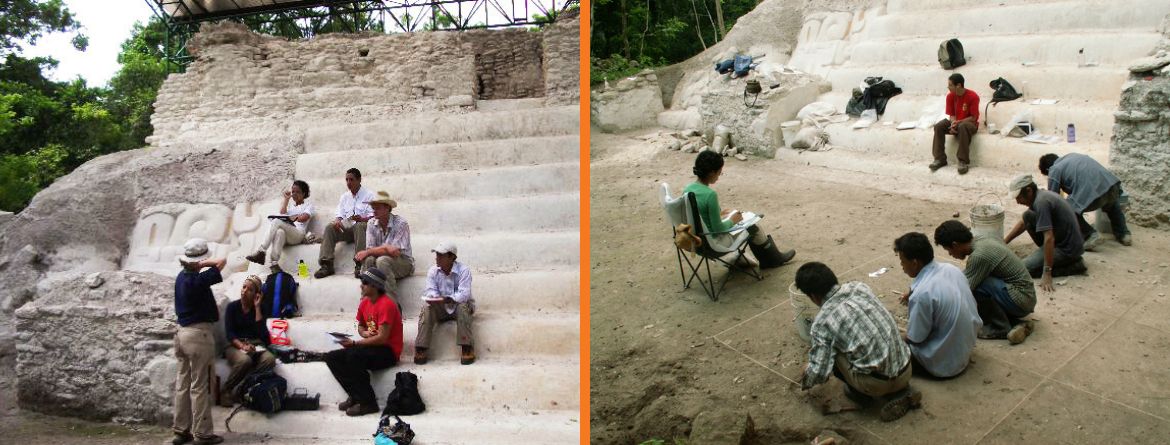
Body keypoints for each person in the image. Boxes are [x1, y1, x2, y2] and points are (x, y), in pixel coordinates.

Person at [796, 262, 922, 422]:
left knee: (832, 352)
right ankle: (902, 391)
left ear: (812, 296)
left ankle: (862, 395)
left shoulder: (821, 323)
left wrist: (807, 374)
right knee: (865, 337)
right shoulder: (859, 287)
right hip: (906, 368)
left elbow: (820, 373)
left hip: (877, 385)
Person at [683, 150, 795, 268]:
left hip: (695, 240)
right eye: (719, 173)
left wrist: (719, 214)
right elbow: (718, 228)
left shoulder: (688, 189)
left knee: (736, 218)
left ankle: (744, 261)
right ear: (712, 173)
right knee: (753, 227)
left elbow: (698, 215)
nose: (719, 177)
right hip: (713, 242)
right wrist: (733, 220)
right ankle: (773, 260)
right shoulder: (710, 195)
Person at [934, 220, 1036, 345]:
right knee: (976, 283)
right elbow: (966, 274)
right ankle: (1017, 324)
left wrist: (937, 305)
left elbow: (962, 288)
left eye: (948, 250)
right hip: (1026, 296)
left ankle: (1000, 328)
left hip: (1021, 299)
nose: (950, 254)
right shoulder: (983, 239)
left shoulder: (979, 256)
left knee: (977, 287)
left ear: (955, 245)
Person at [894, 232, 981, 379]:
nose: (902, 266)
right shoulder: (951, 269)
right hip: (965, 348)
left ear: (915, 263)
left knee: (890, 349)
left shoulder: (921, 295)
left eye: (902, 261)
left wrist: (893, 339)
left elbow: (915, 338)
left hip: (944, 365)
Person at [325, 268, 403, 416]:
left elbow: (382, 338)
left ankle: (368, 403)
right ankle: (355, 395)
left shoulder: (387, 304)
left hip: (388, 351)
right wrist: (364, 333)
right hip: (371, 346)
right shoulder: (364, 303)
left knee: (353, 356)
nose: (361, 285)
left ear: (375, 286)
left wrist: (354, 344)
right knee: (331, 357)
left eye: (365, 282)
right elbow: (360, 325)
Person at [172, 238, 226, 445]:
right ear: (198, 261)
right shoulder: (198, 280)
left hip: (181, 333)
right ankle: (203, 433)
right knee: (199, 385)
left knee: (182, 384)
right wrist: (204, 263)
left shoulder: (181, 277)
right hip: (198, 335)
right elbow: (221, 262)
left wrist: (196, 263)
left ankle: (180, 430)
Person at [1004, 174, 1086, 291]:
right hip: (1062, 239)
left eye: (1019, 197)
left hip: (1067, 249)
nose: (1017, 202)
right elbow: (1023, 222)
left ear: (1029, 191)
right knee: (1027, 216)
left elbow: (1049, 238)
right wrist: (1004, 241)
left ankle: (1074, 265)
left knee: (1021, 269)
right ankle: (1046, 256)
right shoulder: (1040, 196)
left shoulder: (1041, 202)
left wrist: (1047, 272)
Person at [1039, 153, 1132, 249]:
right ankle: (1124, 235)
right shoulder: (1073, 156)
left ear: (1047, 169)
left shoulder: (1054, 169)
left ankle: (1090, 235)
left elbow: (1053, 199)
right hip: (1112, 186)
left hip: (1093, 193)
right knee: (1112, 205)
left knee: (1067, 210)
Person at [414, 241, 475, 366]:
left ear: (452, 257)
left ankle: (466, 346)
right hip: (441, 308)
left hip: (458, 307)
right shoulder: (433, 271)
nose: (437, 258)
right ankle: (421, 347)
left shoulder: (464, 271)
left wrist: (448, 299)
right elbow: (430, 291)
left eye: (441, 255)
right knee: (426, 307)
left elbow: (464, 294)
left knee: (463, 306)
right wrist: (435, 299)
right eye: (437, 255)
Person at [219, 275, 277, 407]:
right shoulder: (232, 307)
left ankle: (243, 389)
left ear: (257, 295)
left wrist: (257, 308)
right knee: (245, 361)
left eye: (250, 289)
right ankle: (226, 391)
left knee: (269, 360)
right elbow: (230, 333)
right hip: (235, 345)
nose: (244, 291)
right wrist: (243, 346)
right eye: (244, 287)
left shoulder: (260, 309)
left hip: (256, 345)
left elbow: (262, 335)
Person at [353, 190, 413, 299]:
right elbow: (373, 249)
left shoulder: (401, 223)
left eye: (378, 208)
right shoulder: (371, 223)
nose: (374, 211)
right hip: (381, 259)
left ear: (387, 208)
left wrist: (369, 251)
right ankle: (367, 302)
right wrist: (384, 248)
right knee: (369, 260)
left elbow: (395, 252)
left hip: (403, 262)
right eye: (373, 208)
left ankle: (392, 304)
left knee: (382, 261)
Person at [316, 168, 375, 278]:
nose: (348, 183)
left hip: (364, 230)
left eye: (351, 180)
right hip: (348, 230)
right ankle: (326, 264)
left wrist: (362, 219)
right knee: (330, 227)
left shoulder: (369, 195)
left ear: (359, 180)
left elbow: (374, 216)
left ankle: (360, 264)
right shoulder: (345, 197)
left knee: (359, 225)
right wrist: (338, 221)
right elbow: (339, 214)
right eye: (347, 180)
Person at [246, 180, 314, 268]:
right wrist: (286, 199)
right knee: (279, 232)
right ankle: (274, 263)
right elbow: (282, 213)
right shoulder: (290, 207)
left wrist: (293, 217)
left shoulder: (308, 205)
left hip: (298, 235)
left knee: (276, 221)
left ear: (304, 194)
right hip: (288, 236)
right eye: (293, 192)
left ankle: (261, 251)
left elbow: (304, 217)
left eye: (298, 192)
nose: (294, 194)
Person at [930, 73, 980, 175]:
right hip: (957, 122)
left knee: (962, 126)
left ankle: (963, 161)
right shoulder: (950, 96)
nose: (948, 87)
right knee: (939, 126)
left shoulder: (973, 96)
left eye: (950, 85)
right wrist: (953, 124)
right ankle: (940, 159)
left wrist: (958, 123)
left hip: (969, 124)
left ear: (959, 85)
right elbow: (952, 115)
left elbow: (973, 118)